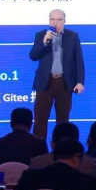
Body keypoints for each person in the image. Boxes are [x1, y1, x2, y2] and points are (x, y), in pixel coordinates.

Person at [29, 9, 85, 140]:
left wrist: (80, 82)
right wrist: (44, 43)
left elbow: (78, 60)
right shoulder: (41, 35)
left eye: (59, 20)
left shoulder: (72, 36)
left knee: (63, 121)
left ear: (64, 21)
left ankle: (62, 148)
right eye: (52, 19)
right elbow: (33, 56)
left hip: (64, 83)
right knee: (40, 120)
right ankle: (39, 149)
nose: (55, 22)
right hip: (45, 83)